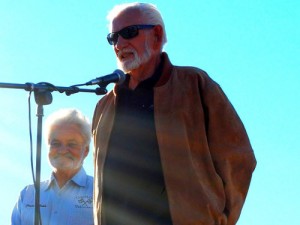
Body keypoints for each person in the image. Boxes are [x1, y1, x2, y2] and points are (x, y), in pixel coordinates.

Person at [92, 2, 257, 225]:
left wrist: (221, 219)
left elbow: (238, 159)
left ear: (157, 35)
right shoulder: (105, 106)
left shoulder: (195, 86)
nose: (119, 44)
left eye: (129, 33)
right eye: (113, 38)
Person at [12, 108, 94, 225]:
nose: (63, 150)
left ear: (86, 150)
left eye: (72, 144)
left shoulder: (100, 193)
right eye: (56, 143)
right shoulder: (28, 194)